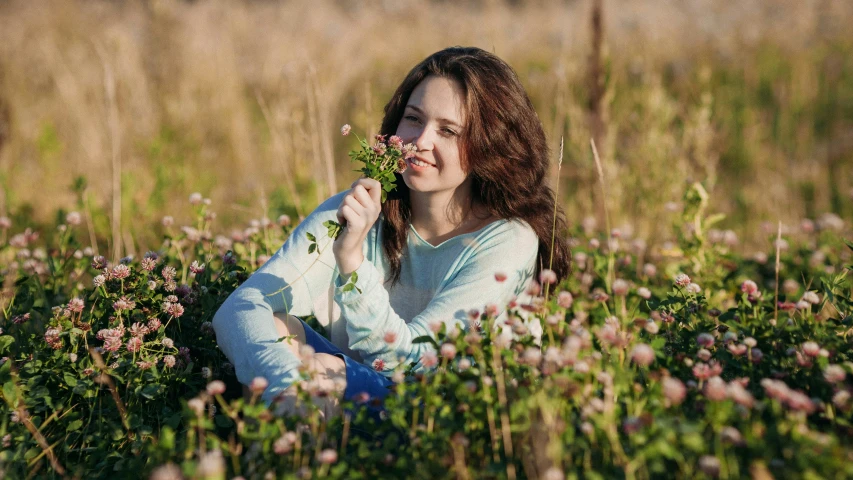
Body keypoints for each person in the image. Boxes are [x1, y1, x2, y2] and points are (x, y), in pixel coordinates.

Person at [212, 46, 571, 417]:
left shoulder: (507, 240)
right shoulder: (356, 209)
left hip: (442, 421)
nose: (422, 141)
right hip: (338, 396)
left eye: (448, 130)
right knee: (276, 328)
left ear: (489, 146)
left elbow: (416, 362)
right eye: (414, 119)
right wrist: (287, 382)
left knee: (319, 374)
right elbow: (239, 308)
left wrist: (351, 263)